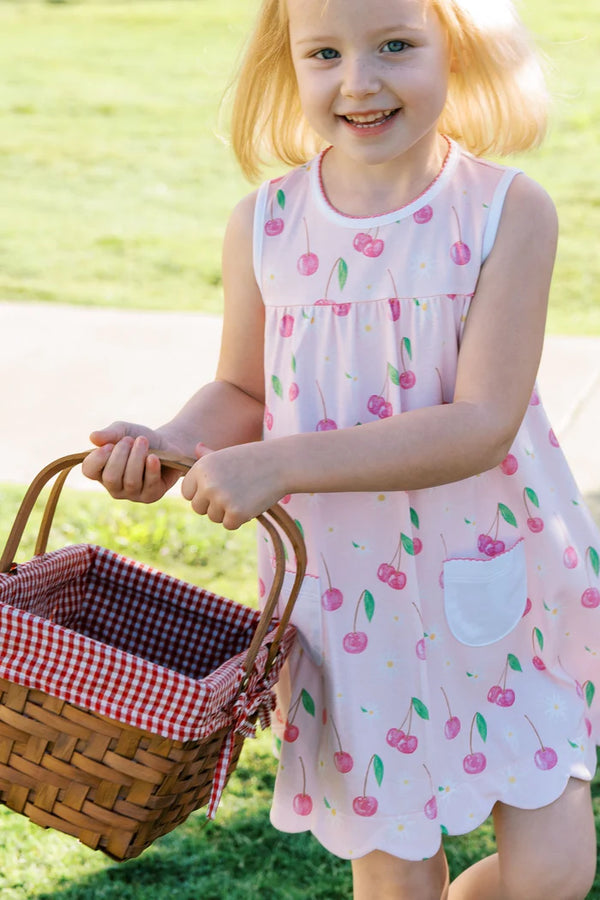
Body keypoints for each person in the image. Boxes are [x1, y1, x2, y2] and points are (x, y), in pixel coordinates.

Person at [82, 0, 600, 896]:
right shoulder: (268, 223)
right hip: (352, 600)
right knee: (396, 874)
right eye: (324, 53)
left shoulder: (507, 213)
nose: (359, 80)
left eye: (396, 45)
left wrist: (279, 464)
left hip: (498, 574)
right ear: (289, 67)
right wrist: (173, 442)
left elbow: (482, 422)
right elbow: (243, 391)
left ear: (457, 49)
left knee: (551, 873)